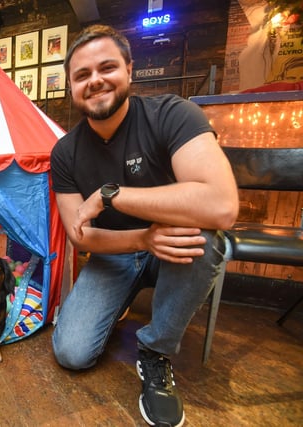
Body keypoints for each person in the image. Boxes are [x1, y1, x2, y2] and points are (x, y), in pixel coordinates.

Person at [50, 25, 238, 427]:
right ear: (70, 86)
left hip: (174, 251)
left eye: (106, 68)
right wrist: (144, 238)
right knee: (71, 354)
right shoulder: (65, 152)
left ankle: (156, 353)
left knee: (207, 238)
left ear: (130, 70)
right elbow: (78, 235)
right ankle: (119, 301)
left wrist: (109, 195)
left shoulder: (173, 114)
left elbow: (222, 205)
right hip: (119, 254)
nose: (95, 80)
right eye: (82, 75)